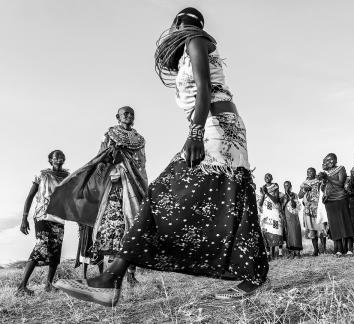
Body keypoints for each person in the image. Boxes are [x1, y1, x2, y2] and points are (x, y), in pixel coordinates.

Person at [55, 7, 268, 305]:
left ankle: (111, 277)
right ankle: (252, 272)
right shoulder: (189, 50)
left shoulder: (196, 40)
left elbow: (205, 87)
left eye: (179, 23)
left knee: (163, 193)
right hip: (212, 125)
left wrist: (195, 134)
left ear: (181, 25)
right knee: (225, 197)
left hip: (215, 127)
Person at [48, 106, 147, 286]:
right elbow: (101, 157)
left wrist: (141, 181)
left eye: (131, 113)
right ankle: (112, 274)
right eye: (125, 113)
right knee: (114, 226)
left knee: (134, 225)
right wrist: (112, 158)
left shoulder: (139, 139)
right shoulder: (110, 134)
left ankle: (131, 274)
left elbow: (142, 162)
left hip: (132, 184)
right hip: (114, 185)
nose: (129, 116)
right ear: (118, 116)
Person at [16, 150, 69, 295]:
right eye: (56, 157)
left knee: (55, 251)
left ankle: (48, 285)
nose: (59, 159)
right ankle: (21, 286)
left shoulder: (68, 177)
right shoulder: (41, 175)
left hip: (59, 218)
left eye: (61, 157)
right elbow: (30, 196)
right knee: (40, 247)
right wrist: (24, 218)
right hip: (42, 216)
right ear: (50, 160)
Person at [321, 154, 354, 256]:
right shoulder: (326, 173)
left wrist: (327, 177)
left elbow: (340, 183)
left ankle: (349, 249)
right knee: (335, 225)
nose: (327, 162)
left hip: (340, 198)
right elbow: (323, 188)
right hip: (329, 200)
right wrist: (323, 181)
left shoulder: (341, 168)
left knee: (346, 223)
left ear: (334, 160)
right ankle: (339, 250)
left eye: (329, 160)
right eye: (325, 161)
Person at [259, 173, 284, 260]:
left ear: (272, 178)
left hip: (274, 211)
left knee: (278, 231)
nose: (267, 178)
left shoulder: (275, 186)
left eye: (269, 176)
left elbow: (276, 199)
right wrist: (263, 194)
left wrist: (267, 193)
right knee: (267, 232)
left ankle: (280, 253)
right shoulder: (263, 187)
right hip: (266, 213)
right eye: (265, 176)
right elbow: (260, 203)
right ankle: (269, 254)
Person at [299, 167, 323, 256]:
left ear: (315, 172)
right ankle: (316, 250)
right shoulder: (304, 183)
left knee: (320, 228)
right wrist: (305, 189)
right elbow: (300, 195)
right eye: (308, 171)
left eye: (311, 171)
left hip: (318, 207)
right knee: (312, 229)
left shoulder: (319, 181)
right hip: (308, 209)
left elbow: (322, 191)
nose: (309, 173)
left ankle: (323, 248)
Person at [281, 181, 303, 258]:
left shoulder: (294, 195)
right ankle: (291, 252)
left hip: (294, 216)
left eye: (288, 185)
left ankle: (297, 252)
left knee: (296, 232)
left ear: (291, 186)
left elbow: (295, 206)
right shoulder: (283, 197)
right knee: (288, 233)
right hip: (287, 217)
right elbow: (282, 208)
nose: (286, 187)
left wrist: (291, 198)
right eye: (285, 186)